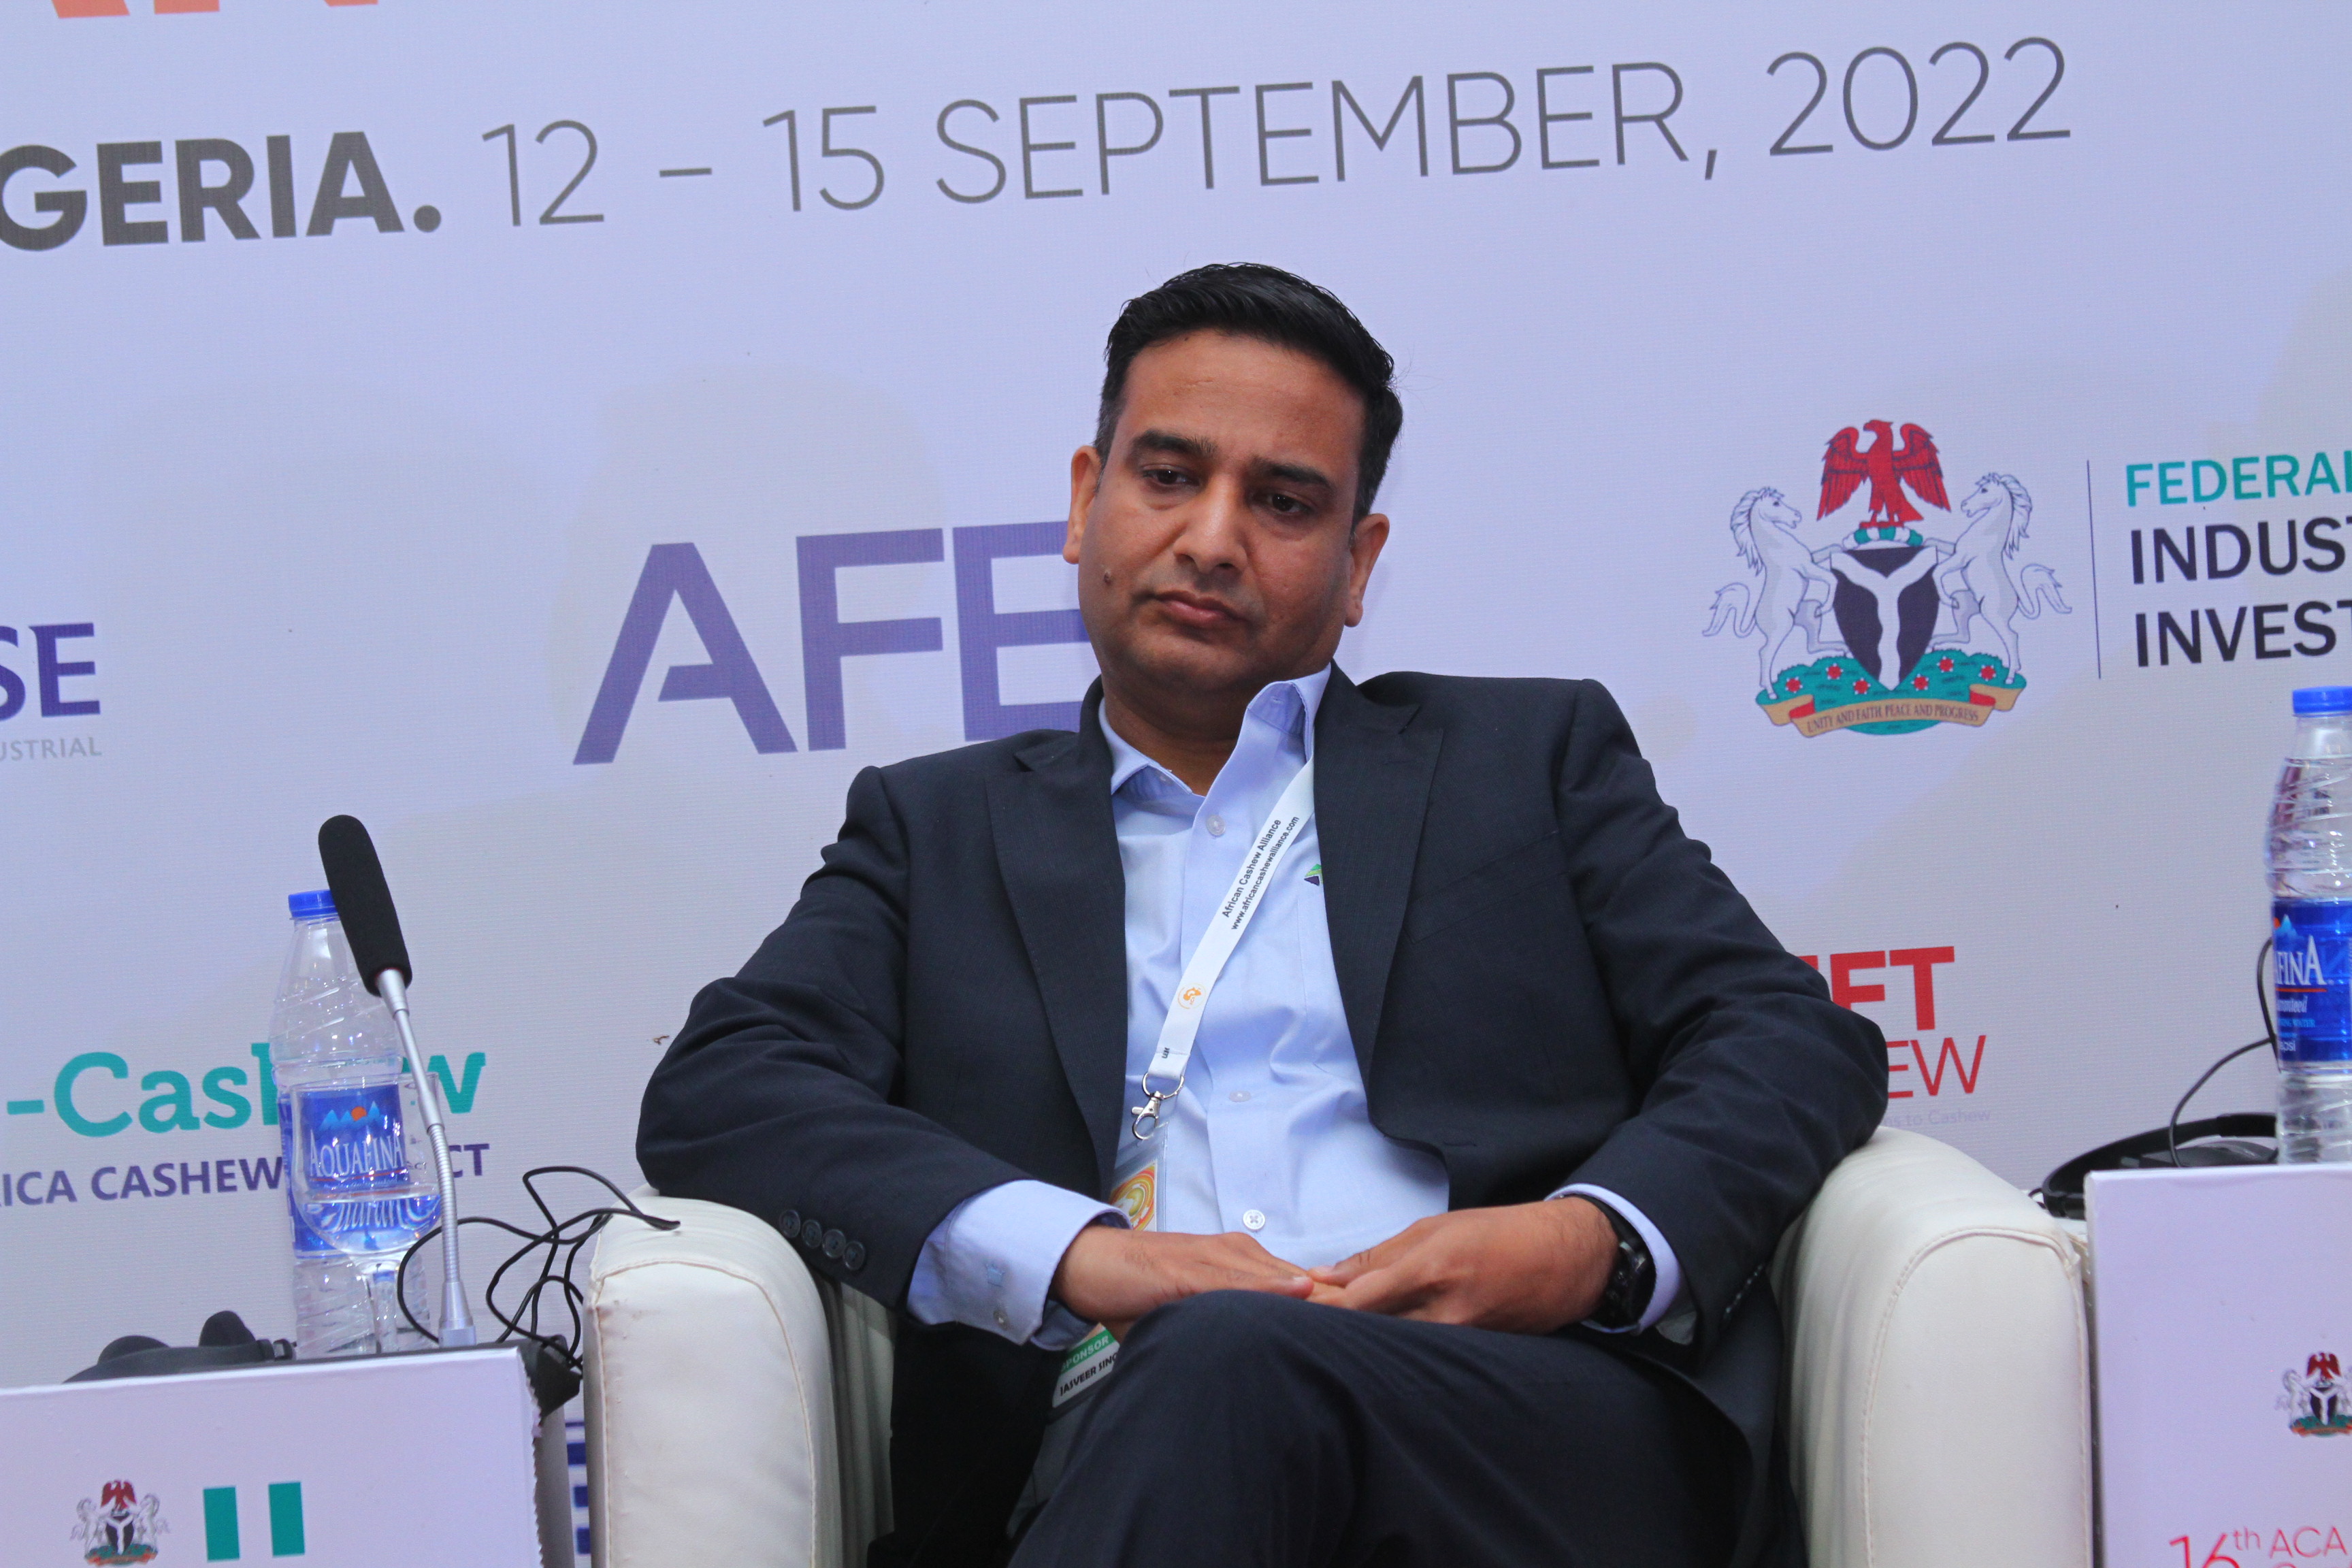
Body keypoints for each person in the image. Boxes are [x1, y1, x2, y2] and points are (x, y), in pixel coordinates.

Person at [637, 263, 1886, 1568]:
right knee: (1212, 1364)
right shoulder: (935, 832)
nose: (1213, 538)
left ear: (1359, 564)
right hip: (1103, 1443)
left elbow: (1787, 1037)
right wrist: (1081, 1257)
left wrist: (1583, 1243)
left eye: (1284, 502)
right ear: (1086, 499)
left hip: (1512, 1425)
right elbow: (726, 1087)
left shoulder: (1527, 762)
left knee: (1229, 1360)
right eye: (1169, 477)